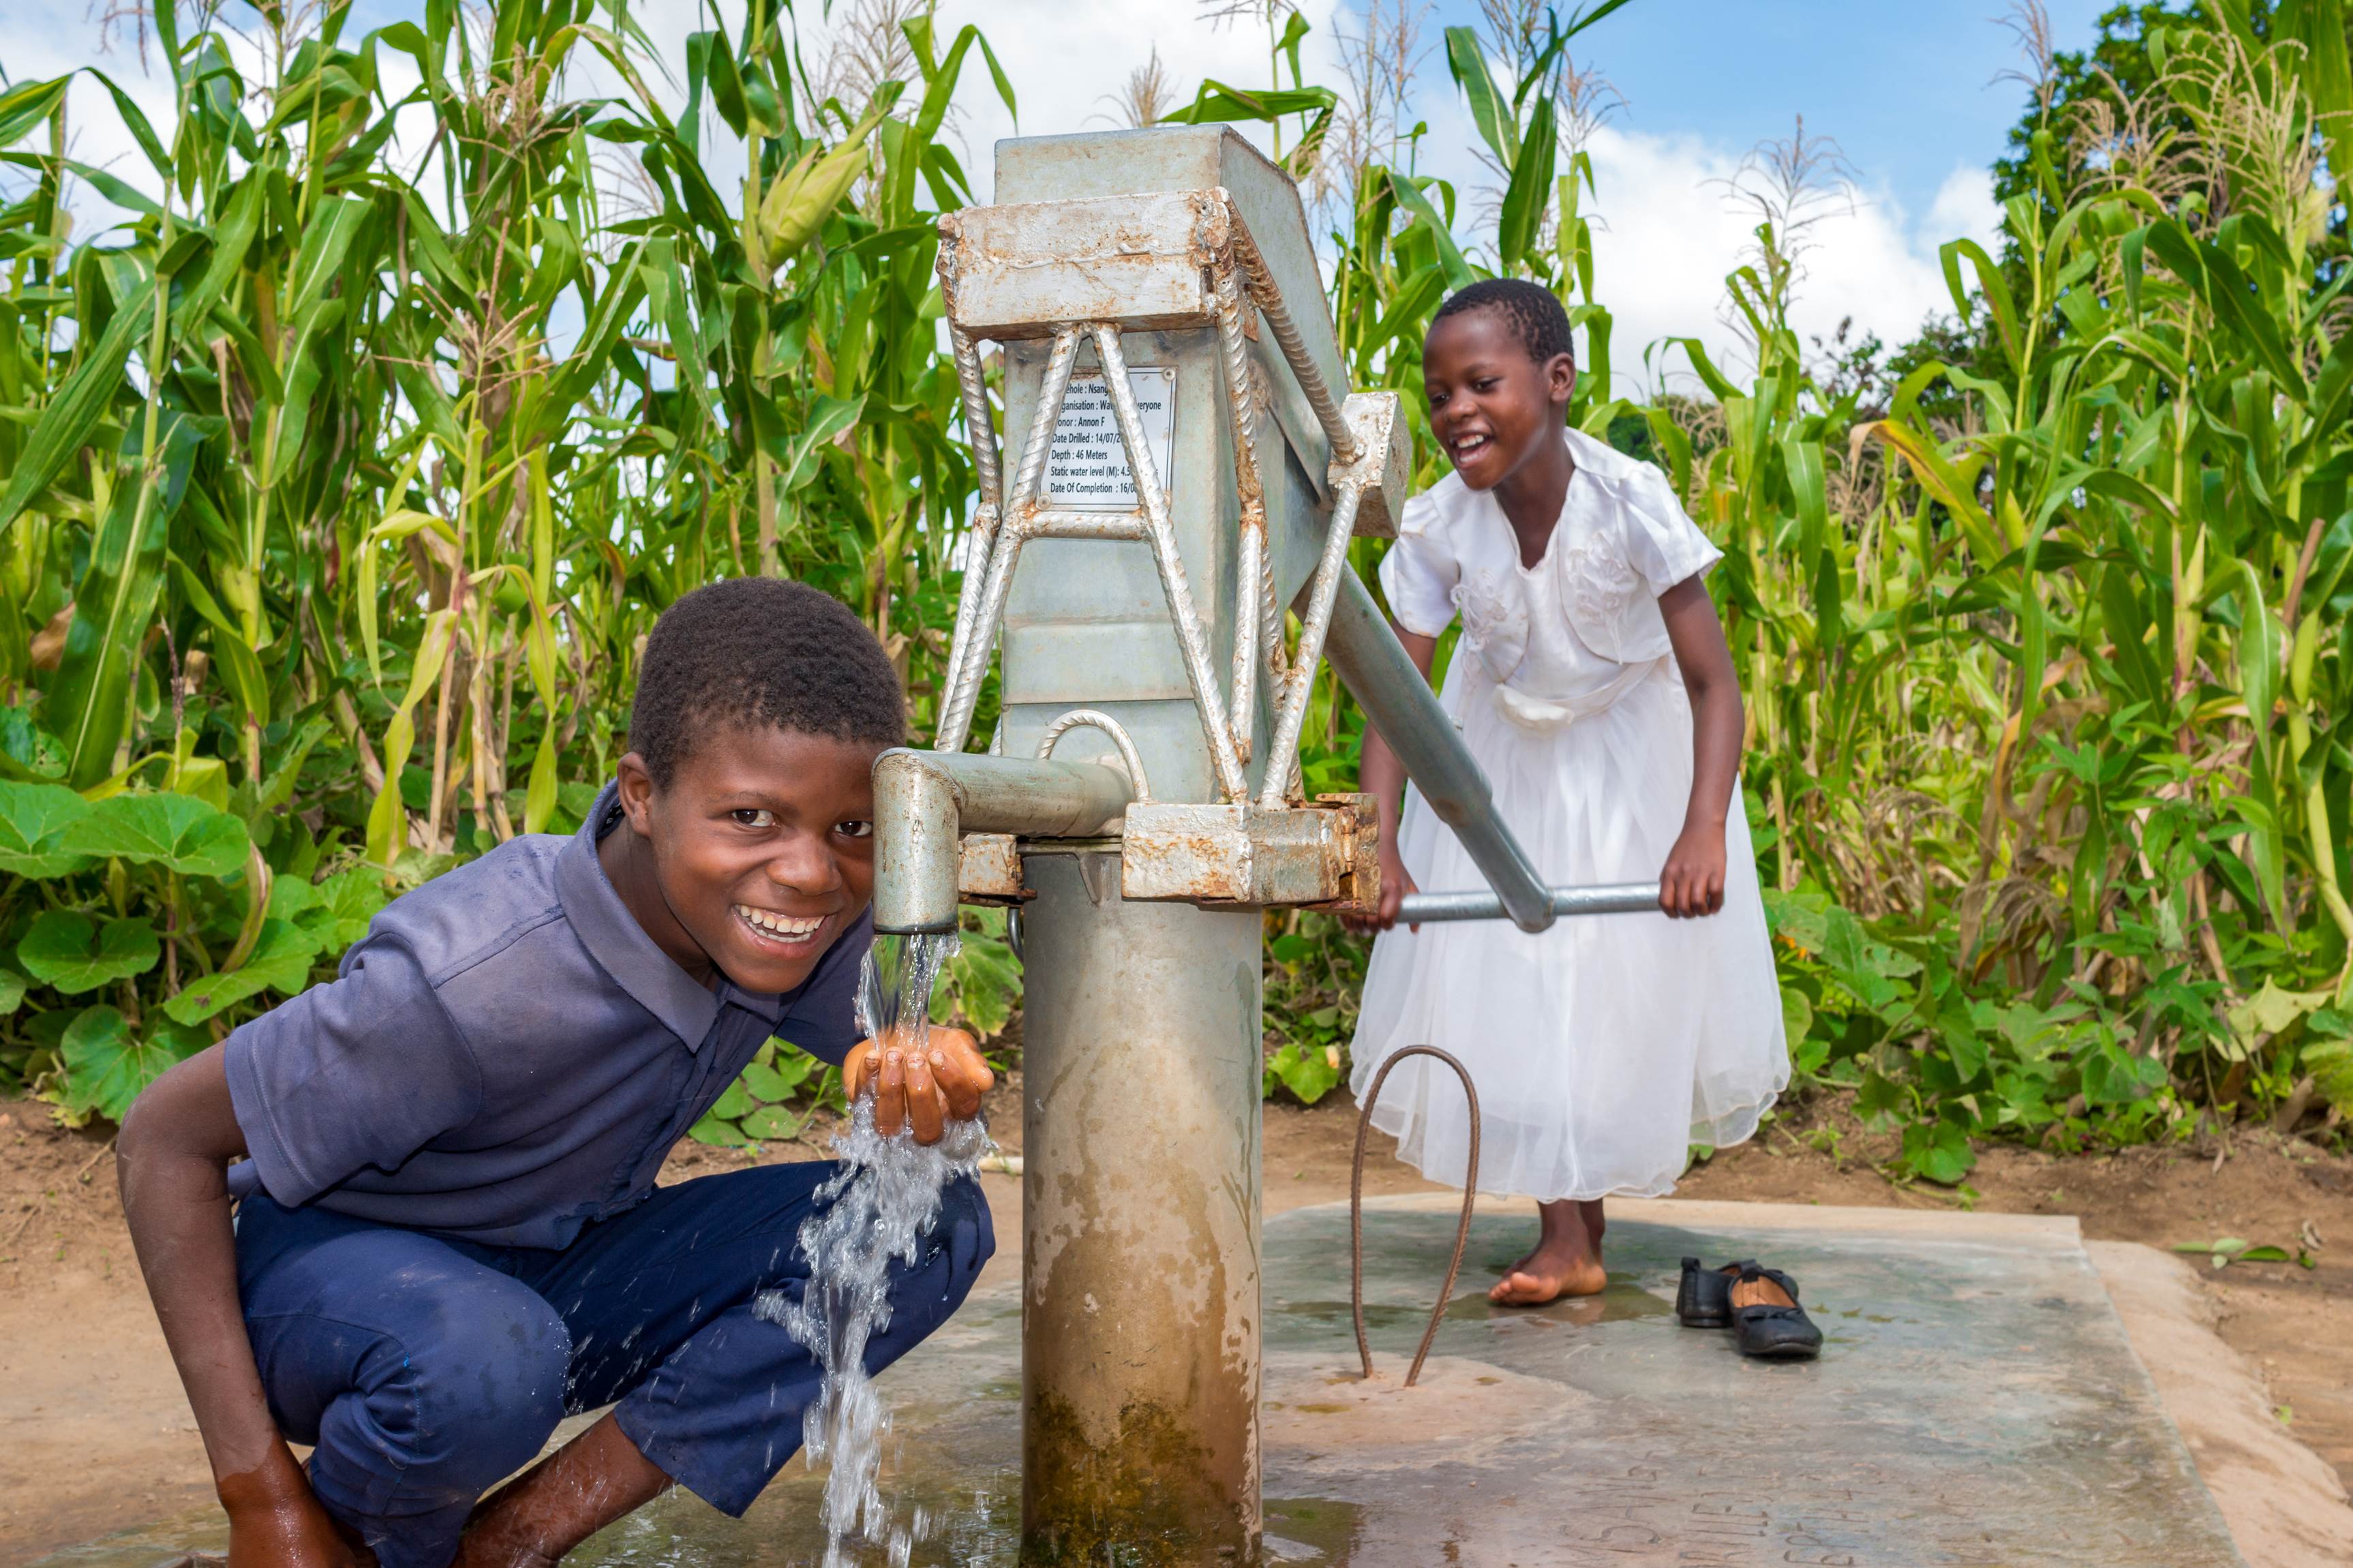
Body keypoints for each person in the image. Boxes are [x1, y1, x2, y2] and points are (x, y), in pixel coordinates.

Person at [115, 577, 996, 1568]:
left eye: (851, 828)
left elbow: (900, 1053)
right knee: (485, 1360)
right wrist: (259, 1498)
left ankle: (513, 1539)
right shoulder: (469, 979)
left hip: (557, 1270)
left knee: (926, 1221)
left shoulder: (788, 923)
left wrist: (941, 1076)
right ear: (643, 796)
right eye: (750, 815)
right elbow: (161, 1134)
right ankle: (336, 1539)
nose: (807, 872)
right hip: (337, 1280)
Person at [1349, 279, 1787, 1307]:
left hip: (1636, 755)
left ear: (1555, 382)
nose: (1458, 409)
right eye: (1440, 389)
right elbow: (1394, 693)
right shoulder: (1440, 524)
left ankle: (1577, 1227)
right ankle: (1567, 1231)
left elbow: (1714, 682)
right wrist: (1379, 837)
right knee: (1513, 980)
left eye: (1482, 383)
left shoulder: (1630, 498)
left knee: (1605, 986)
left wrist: (1703, 825)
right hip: (1500, 759)